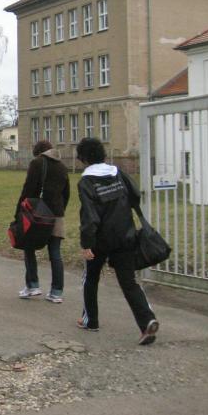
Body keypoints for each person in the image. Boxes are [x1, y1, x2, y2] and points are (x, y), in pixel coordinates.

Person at [76, 137, 160, 345]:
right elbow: (135, 194)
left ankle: (91, 320)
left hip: (100, 239)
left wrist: (87, 244)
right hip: (125, 234)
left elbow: (89, 215)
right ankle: (147, 322)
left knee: (90, 277)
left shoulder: (86, 182)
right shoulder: (118, 173)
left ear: (83, 158)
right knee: (129, 282)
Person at [15, 139, 70, 303]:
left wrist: (19, 212)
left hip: (38, 215)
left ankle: (33, 285)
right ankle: (56, 292)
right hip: (57, 214)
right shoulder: (62, 166)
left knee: (28, 247)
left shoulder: (37, 163)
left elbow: (29, 189)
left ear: (38, 152)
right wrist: (60, 210)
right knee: (55, 253)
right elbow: (66, 193)